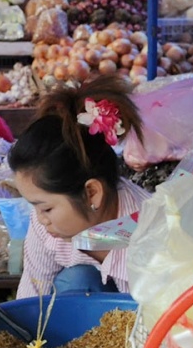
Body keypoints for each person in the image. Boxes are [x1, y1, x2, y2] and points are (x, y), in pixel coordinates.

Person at [8, 76, 149, 298]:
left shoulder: (149, 235)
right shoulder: (46, 224)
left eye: (46, 209)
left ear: (92, 193)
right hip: (89, 291)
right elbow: (33, 294)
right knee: (78, 280)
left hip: (149, 315)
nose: (40, 219)